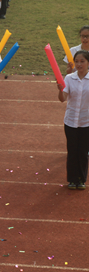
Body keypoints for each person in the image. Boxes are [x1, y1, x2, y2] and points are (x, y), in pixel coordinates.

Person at [57, 50, 89, 190]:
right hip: (70, 121)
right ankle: (72, 179)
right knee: (72, 150)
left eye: (82, 61)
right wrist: (60, 89)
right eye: (77, 61)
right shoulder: (69, 78)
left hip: (86, 122)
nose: (79, 64)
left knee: (83, 151)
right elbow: (62, 99)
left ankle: (81, 179)